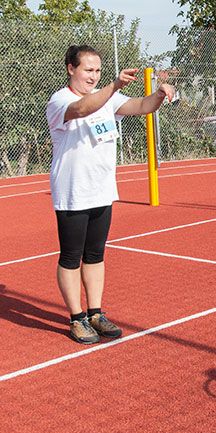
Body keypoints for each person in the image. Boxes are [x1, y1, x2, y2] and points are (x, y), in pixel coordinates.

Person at [46, 45, 175, 344]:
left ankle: (95, 312)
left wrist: (159, 94)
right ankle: (76, 318)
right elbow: (82, 108)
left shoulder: (109, 98)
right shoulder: (60, 100)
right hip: (72, 192)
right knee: (71, 256)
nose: (93, 76)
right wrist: (113, 84)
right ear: (71, 68)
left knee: (95, 255)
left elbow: (142, 106)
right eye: (88, 70)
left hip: (102, 191)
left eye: (98, 71)